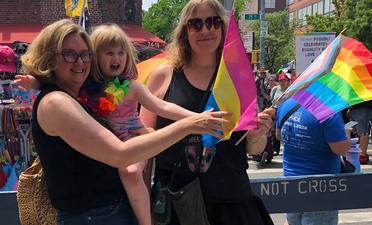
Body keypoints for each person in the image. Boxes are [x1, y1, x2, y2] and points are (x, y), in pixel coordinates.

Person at [21, 19, 227, 225]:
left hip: (106, 211)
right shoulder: (56, 101)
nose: (80, 62)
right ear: (48, 59)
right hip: (96, 215)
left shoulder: (76, 95)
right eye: (69, 54)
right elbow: (120, 155)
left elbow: (161, 107)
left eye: (85, 54)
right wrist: (189, 125)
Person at [140, 0, 275, 224]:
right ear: (185, 30)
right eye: (196, 24)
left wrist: (258, 134)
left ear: (222, 28)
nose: (205, 30)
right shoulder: (163, 76)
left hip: (231, 205)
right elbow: (143, 147)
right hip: (176, 205)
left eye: (213, 22)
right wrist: (144, 204)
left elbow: (254, 147)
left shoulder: (239, 77)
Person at [275, 98, 350, 225]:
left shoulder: (287, 104)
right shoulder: (327, 110)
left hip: (290, 184)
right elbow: (340, 149)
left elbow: (279, 136)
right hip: (320, 188)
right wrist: (346, 134)